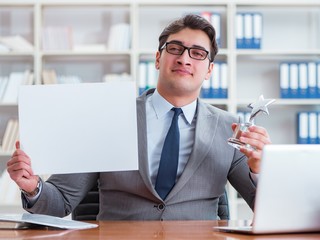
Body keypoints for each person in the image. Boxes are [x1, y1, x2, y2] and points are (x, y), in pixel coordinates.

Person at [7, 14, 271, 220]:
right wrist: (32, 187)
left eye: (198, 53)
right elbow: (60, 201)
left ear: (210, 69)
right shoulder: (108, 117)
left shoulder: (231, 127)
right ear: (158, 59)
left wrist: (260, 169)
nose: (184, 59)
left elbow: (267, 207)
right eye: (175, 48)